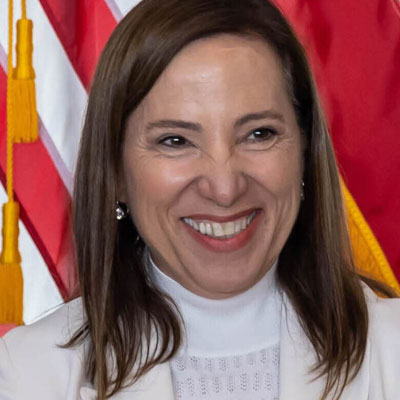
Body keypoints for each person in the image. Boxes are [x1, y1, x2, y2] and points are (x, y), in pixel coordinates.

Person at [1, 0, 399, 399]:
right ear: (116, 173)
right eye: (175, 141)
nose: (225, 188)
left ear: (304, 154)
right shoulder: (27, 376)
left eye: (259, 134)